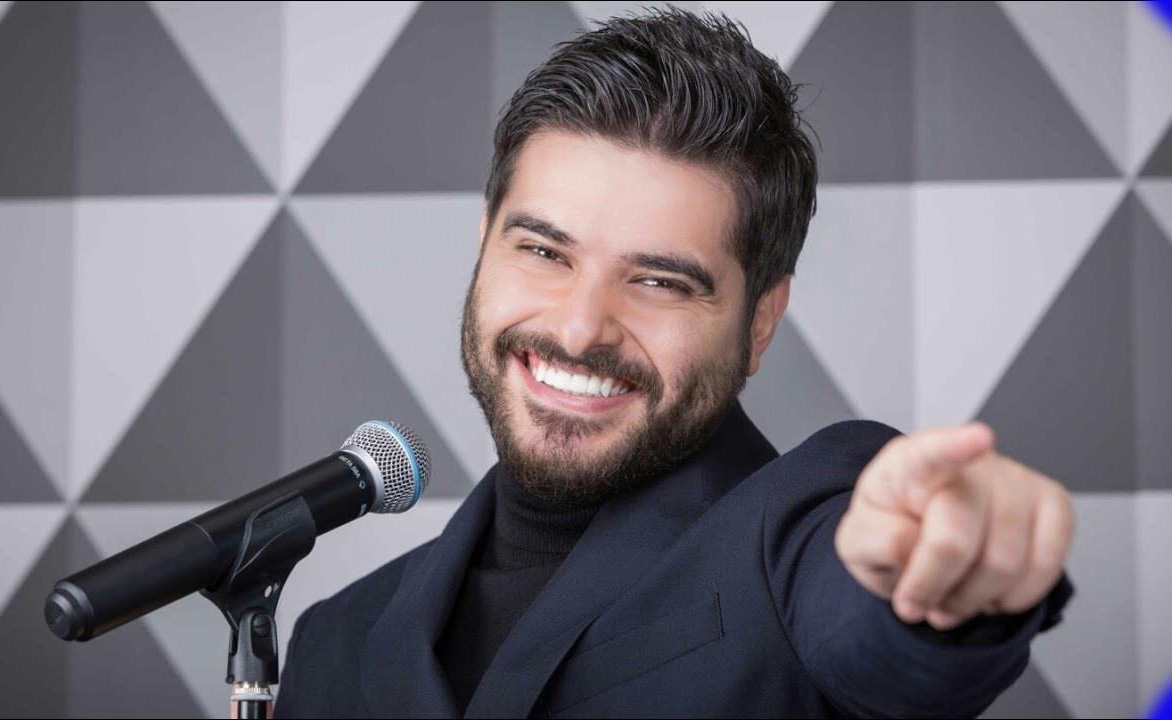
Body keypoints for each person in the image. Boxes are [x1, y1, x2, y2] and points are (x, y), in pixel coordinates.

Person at [274, 7, 1074, 718]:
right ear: (486, 243)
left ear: (761, 321)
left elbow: (863, 619)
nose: (580, 328)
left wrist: (927, 582)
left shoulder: (794, 535)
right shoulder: (334, 641)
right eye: (545, 251)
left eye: (659, 281)